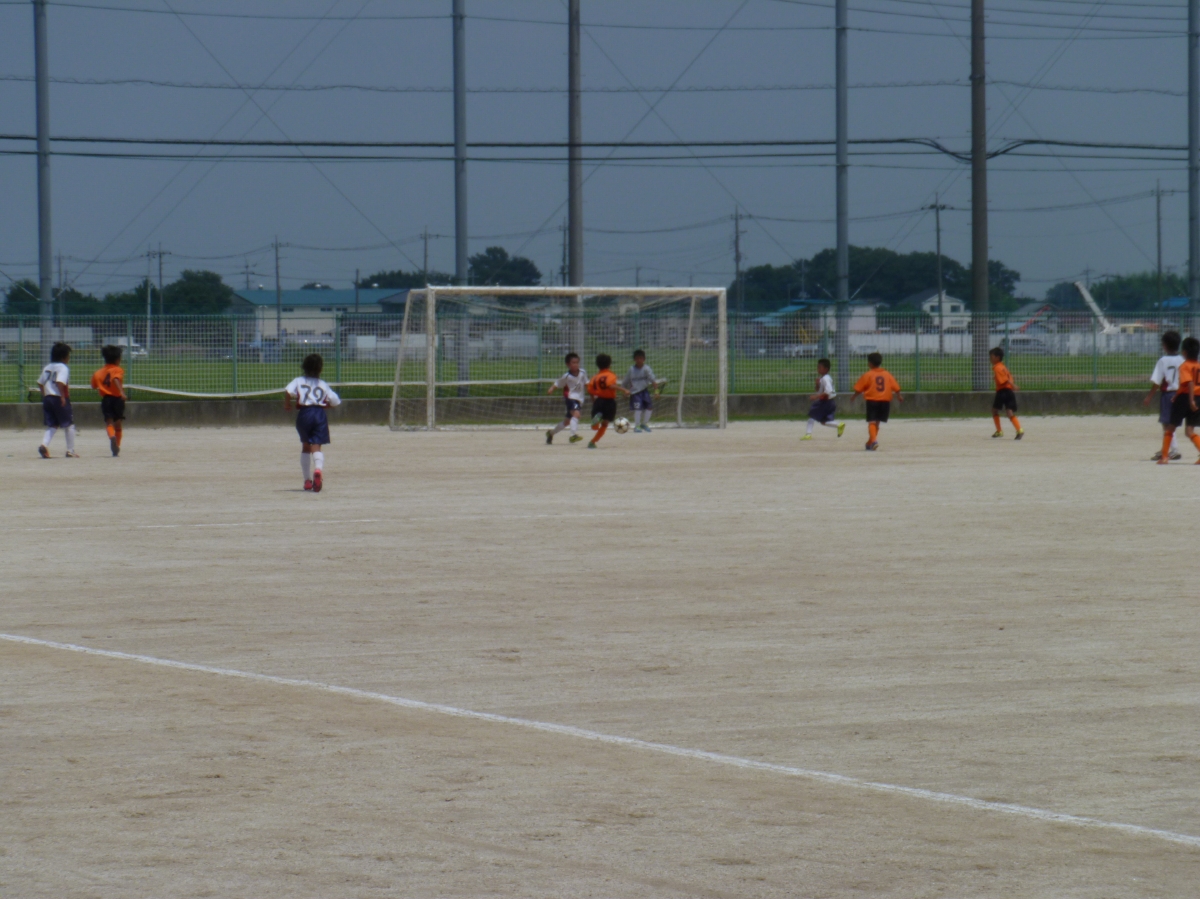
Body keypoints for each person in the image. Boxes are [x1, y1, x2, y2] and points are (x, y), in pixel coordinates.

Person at [283, 353, 341, 492]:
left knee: (305, 446)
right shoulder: (323, 384)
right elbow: (335, 401)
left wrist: (287, 404)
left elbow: (288, 391)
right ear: (320, 369)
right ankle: (318, 469)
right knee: (316, 446)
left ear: (304, 367)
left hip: (304, 413)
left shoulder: (298, 380)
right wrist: (326, 406)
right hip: (319, 414)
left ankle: (307, 481)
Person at [1160, 335, 1200, 465]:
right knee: (1189, 431)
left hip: (1185, 399)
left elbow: (1189, 383)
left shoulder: (1184, 366)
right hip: (1198, 398)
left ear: (1185, 352)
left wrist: (1189, 400)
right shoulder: (1198, 366)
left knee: (1170, 427)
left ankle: (1164, 457)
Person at [1145, 330, 1183, 461]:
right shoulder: (1182, 360)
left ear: (1165, 345)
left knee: (1166, 423)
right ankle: (1166, 448)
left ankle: (1173, 449)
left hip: (1168, 394)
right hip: (1180, 394)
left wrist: (1149, 396)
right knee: (1172, 422)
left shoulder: (1163, 361)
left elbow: (1157, 381)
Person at [852, 352, 903, 451]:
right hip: (885, 401)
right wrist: (899, 396)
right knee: (877, 423)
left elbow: (859, 388)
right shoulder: (887, 374)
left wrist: (854, 396)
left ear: (870, 363)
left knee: (872, 422)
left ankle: (874, 441)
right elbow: (896, 387)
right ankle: (870, 442)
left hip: (872, 400)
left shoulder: (868, 375)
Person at [37, 342, 78, 459]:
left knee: (53, 425)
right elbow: (60, 382)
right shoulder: (63, 367)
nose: (69, 358)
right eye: (68, 355)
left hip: (48, 398)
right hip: (58, 398)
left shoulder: (48, 367)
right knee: (69, 424)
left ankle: (44, 445)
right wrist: (62, 397)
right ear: (64, 357)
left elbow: (40, 383)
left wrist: (44, 395)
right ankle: (70, 450)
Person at [586, 353, 629, 448]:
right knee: (605, 423)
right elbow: (610, 385)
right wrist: (624, 390)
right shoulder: (611, 375)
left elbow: (590, 390)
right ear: (609, 364)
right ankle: (593, 442)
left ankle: (595, 423)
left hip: (598, 401)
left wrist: (593, 400)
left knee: (595, 427)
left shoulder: (594, 377)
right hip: (609, 402)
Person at [91, 345, 128, 457]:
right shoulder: (118, 369)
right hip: (117, 399)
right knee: (118, 424)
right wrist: (121, 392)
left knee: (109, 422)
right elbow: (115, 378)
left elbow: (93, 386)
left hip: (106, 399)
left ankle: (111, 437)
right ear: (117, 359)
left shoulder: (98, 372)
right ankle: (117, 445)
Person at [546, 352, 588, 445]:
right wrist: (551, 388)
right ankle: (573, 436)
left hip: (579, 399)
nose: (575, 364)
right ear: (568, 364)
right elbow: (558, 383)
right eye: (573, 363)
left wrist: (592, 391)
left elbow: (586, 383)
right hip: (570, 398)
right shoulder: (567, 376)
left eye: (577, 362)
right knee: (576, 414)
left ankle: (551, 433)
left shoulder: (582, 372)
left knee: (567, 422)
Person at [801, 358, 845, 440]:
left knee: (812, 415)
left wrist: (816, 396)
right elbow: (818, 390)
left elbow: (828, 391)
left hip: (825, 402)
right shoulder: (823, 378)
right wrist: (817, 384)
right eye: (818, 367)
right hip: (830, 402)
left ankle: (808, 434)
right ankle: (839, 425)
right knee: (824, 421)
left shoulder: (825, 378)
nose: (818, 369)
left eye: (820, 367)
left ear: (826, 369)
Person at [622, 349, 662, 433]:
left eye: (641, 358)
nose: (639, 360)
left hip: (644, 391)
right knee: (638, 409)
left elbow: (653, 381)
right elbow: (625, 382)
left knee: (649, 407)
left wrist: (656, 391)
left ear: (644, 359)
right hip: (635, 393)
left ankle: (644, 423)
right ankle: (637, 425)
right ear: (634, 359)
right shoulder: (631, 370)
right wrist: (624, 391)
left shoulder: (646, 369)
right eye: (637, 358)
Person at [989, 347, 1025, 440]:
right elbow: (1008, 377)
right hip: (1009, 391)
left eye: (991, 357)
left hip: (1002, 392)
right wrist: (1012, 386)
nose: (990, 359)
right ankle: (1019, 430)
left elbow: (1004, 380)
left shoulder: (997, 367)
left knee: (994, 410)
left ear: (997, 357)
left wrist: (1013, 385)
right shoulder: (1003, 367)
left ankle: (999, 431)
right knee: (1009, 412)